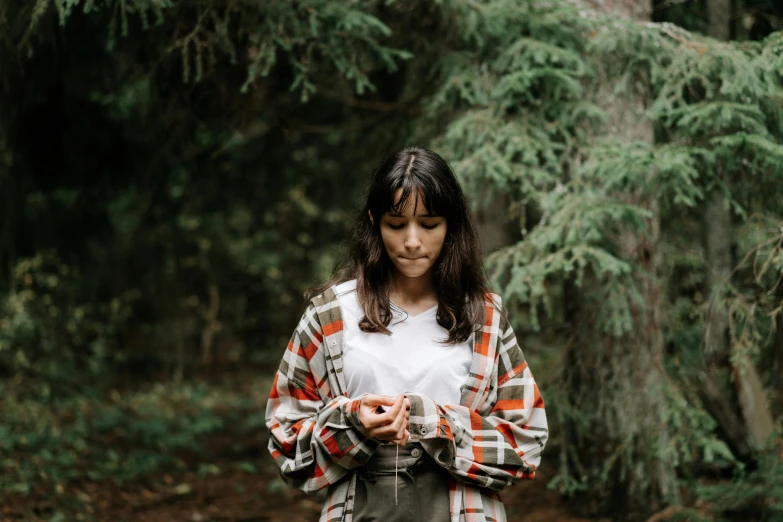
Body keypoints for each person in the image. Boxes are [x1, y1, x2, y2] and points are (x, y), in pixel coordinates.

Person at [265, 147, 548, 522]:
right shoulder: (331, 314)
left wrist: (436, 423)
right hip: (360, 507)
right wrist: (353, 424)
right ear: (374, 220)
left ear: (451, 225)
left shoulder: (484, 317)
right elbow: (286, 441)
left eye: (429, 224)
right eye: (396, 224)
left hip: (463, 510)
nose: (412, 241)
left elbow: (525, 442)